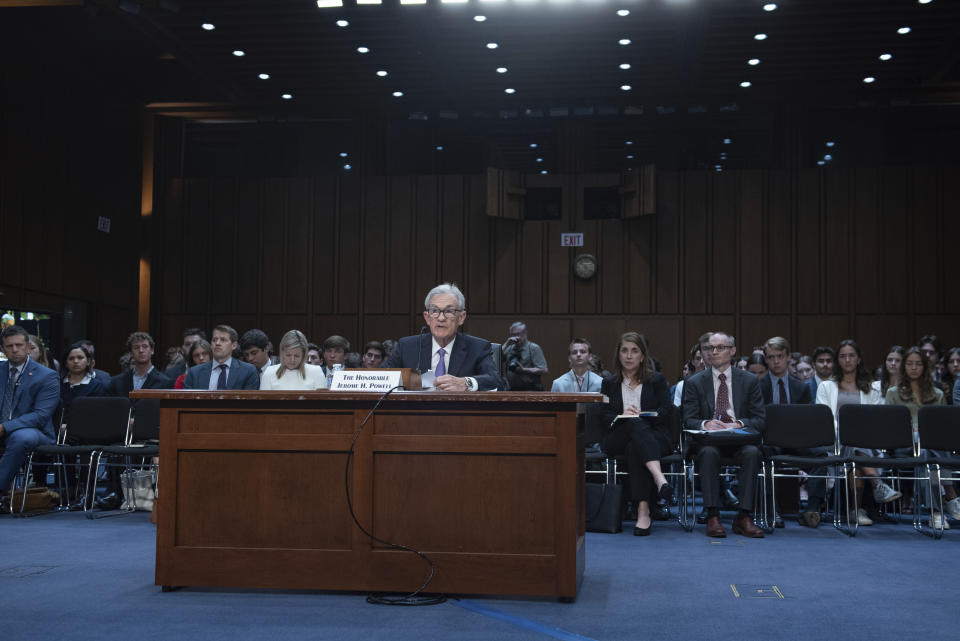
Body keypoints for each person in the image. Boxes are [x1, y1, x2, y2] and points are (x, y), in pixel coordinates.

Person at [681, 331, 765, 538]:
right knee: (708, 453)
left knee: (752, 453)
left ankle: (744, 516)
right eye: (711, 348)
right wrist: (706, 423)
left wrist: (739, 423)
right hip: (709, 440)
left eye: (721, 348)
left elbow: (760, 420)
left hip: (740, 439)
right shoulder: (694, 382)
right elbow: (687, 419)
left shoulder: (750, 381)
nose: (714, 352)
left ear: (733, 351)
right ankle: (712, 515)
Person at [815, 339, 898, 526]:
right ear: (838, 360)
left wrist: (856, 432)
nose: (847, 360)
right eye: (843, 356)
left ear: (859, 359)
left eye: (851, 355)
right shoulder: (826, 386)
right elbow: (824, 418)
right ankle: (877, 485)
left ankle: (855, 510)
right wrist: (848, 431)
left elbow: (875, 418)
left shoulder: (871, 388)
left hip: (864, 442)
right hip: (834, 442)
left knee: (855, 455)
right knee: (852, 442)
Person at [598, 332, 673, 536]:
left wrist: (643, 416)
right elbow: (603, 416)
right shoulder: (609, 383)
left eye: (634, 351)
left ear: (642, 356)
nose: (629, 356)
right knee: (633, 424)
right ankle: (659, 479)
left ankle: (643, 510)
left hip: (653, 435)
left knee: (635, 446)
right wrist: (623, 415)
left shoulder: (656, 380)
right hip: (617, 436)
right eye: (624, 351)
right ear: (618, 355)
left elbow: (667, 410)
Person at [383, 282, 504, 391]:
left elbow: (495, 380)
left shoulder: (478, 347)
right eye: (435, 311)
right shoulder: (407, 346)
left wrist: (466, 383)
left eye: (449, 311)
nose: (441, 318)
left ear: (461, 317)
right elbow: (383, 377)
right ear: (427, 317)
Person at [884, 347, 955, 528]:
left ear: (925, 366)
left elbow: (943, 427)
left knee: (926, 454)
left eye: (918, 364)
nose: (914, 367)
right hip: (903, 446)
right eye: (909, 363)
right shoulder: (893, 392)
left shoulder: (937, 394)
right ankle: (950, 496)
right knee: (927, 450)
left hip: (929, 447)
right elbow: (889, 425)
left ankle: (936, 512)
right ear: (904, 366)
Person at [759, 337, 820, 528]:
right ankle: (771, 509)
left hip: (797, 442)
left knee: (821, 458)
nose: (776, 361)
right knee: (761, 456)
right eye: (771, 357)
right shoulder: (757, 387)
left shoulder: (800, 387)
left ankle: (812, 510)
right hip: (770, 442)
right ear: (766, 360)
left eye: (780, 356)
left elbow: (807, 420)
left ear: (788, 358)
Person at [0, 326, 60, 494]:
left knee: (21, 437)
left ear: (27, 347)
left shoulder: (46, 376)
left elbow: (40, 416)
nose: (15, 350)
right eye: (9, 346)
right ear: (2, 349)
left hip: (35, 431)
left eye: (19, 345)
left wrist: (5, 427)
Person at [184, 325, 259, 390]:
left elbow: (249, 404)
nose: (217, 343)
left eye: (223, 340)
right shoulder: (194, 372)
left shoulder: (248, 371)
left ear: (234, 345)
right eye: (214, 340)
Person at [260, 330, 327, 391]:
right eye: (288, 355)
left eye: (297, 356)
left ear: (304, 355)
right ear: (282, 353)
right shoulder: (269, 372)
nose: (292, 360)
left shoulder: (316, 372)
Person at [60, 343, 107, 423]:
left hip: (86, 427)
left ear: (88, 362)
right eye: (71, 358)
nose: (75, 361)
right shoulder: (57, 384)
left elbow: (97, 413)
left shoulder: (97, 385)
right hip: (58, 429)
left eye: (80, 358)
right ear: (66, 364)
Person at [500, 322, 549, 391]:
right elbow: (496, 357)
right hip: (512, 390)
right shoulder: (510, 348)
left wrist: (524, 370)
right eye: (513, 335)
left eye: (518, 334)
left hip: (531, 390)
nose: (516, 337)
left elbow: (544, 370)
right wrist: (507, 343)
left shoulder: (533, 348)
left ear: (525, 333)